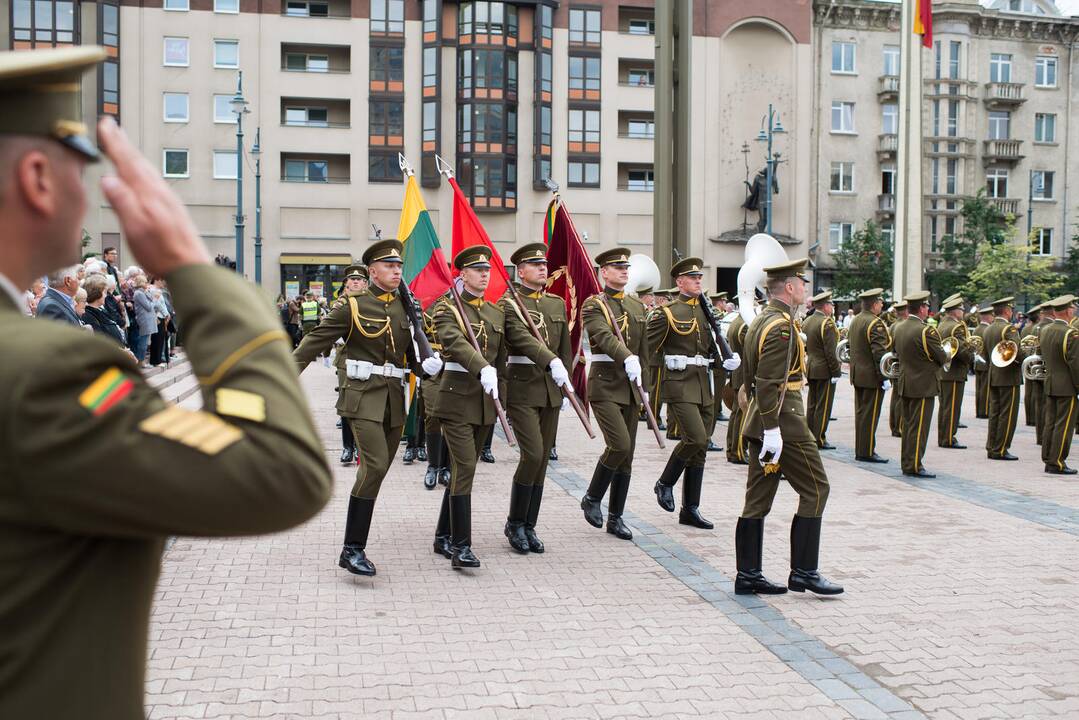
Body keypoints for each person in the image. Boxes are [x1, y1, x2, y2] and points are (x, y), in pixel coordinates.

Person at [0, 47, 332, 720]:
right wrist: (192, 267)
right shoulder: (44, 372)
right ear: (38, 177)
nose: (95, 192)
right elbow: (281, 470)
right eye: (84, 167)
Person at [294, 241, 441, 577]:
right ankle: (352, 549)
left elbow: (409, 356)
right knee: (373, 466)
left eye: (398, 266)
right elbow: (313, 342)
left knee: (377, 471)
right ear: (371, 271)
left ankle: (354, 546)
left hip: (393, 399)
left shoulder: (406, 307)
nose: (396, 270)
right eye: (388, 266)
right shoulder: (353, 306)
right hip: (361, 397)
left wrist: (426, 365)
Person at [430, 245, 548, 569]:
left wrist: (503, 403)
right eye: (477, 270)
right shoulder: (448, 309)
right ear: (462, 274)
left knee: (461, 471)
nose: (484, 275)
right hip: (455, 399)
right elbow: (454, 342)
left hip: (485, 404)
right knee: (465, 467)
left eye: (487, 270)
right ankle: (460, 547)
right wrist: (480, 366)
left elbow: (502, 364)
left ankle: (442, 535)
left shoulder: (496, 313)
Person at [735, 258, 842, 596]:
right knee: (816, 489)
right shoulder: (780, 326)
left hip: (766, 419)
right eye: (803, 284)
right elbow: (768, 383)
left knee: (758, 499)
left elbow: (747, 380)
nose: (806, 290)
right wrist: (772, 430)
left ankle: (748, 575)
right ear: (791, 288)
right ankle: (805, 572)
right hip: (784, 421)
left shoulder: (764, 320)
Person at [650, 257, 740, 529]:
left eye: (700, 277)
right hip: (679, 383)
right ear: (679, 282)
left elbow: (708, 345)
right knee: (696, 438)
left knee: (701, 447)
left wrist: (724, 359)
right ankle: (665, 482)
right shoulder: (666, 313)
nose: (699, 281)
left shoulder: (705, 310)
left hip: (704, 383)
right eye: (692, 278)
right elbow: (648, 351)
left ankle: (690, 509)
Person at [498, 243, 572, 554]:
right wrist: (551, 362)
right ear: (520, 270)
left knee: (542, 460)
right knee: (533, 453)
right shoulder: (508, 304)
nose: (543, 268)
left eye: (544, 263)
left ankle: (530, 524)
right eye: (534, 264)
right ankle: (514, 522)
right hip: (522, 388)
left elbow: (565, 347)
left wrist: (566, 381)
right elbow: (520, 338)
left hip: (550, 390)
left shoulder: (555, 304)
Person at [579, 248, 650, 541]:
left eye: (625, 267)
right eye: (616, 267)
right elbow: (603, 337)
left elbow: (643, 348)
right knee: (618, 445)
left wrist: (645, 382)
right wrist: (626, 356)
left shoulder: (636, 306)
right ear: (603, 272)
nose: (623, 271)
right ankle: (593, 496)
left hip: (631, 387)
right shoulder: (594, 305)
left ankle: (616, 517)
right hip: (606, 384)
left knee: (627, 456)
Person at [892, 291, 947, 477]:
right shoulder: (926, 330)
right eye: (926, 306)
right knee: (919, 427)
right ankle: (914, 464)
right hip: (923, 385)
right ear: (922, 308)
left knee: (908, 426)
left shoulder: (899, 327)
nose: (927, 310)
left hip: (906, 382)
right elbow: (941, 356)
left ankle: (907, 462)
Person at [330, 264, 368, 465]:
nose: (355, 282)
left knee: (366, 406)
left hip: (368, 359)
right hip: (346, 360)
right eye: (351, 279)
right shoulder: (340, 304)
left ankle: (362, 449)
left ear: (365, 283)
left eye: (359, 279)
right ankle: (347, 447)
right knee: (347, 403)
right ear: (345, 284)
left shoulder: (372, 304)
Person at [847, 288, 890, 463]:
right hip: (871, 377)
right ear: (874, 304)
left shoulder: (856, 320)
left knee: (862, 414)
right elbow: (879, 353)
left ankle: (862, 449)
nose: (881, 305)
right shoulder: (875, 323)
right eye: (880, 302)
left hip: (859, 374)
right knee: (870, 415)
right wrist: (884, 376)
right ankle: (866, 452)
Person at [1039, 295, 1079, 474]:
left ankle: (1048, 457)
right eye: (1072, 308)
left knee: (1051, 423)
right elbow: (1075, 364)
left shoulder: (1045, 329)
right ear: (1068, 311)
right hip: (1067, 385)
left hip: (1050, 382)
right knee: (1064, 425)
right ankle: (1057, 462)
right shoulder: (1071, 333)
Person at [984, 297, 1023, 460]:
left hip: (993, 375)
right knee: (1007, 414)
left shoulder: (989, 329)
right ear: (1007, 311)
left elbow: (986, 355)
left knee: (995, 412)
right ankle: (1001, 448)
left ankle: (992, 446)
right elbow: (1017, 352)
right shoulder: (1009, 330)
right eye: (1011, 309)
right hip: (1008, 376)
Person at [803, 291, 842, 450]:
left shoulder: (808, 321)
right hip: (824, 369)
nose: (832, 307)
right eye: (831, 304)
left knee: (812, 404)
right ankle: (819, 437)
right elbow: (831, 352)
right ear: (825, 306)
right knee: (823, 406)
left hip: (811, 366)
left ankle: (810, 434)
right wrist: (836, 372)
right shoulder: (827, 323)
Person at [936, 296, 974, 449]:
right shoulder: (956, 327)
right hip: (954, 371)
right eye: (961, 309)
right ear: (956, 311)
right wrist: (972, 357)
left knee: (945, 406)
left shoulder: (942, 324)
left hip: (944, 371)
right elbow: (960, 350)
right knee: (952, 406)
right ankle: (948, 438)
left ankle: (943, 436)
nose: (963, 312)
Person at [1021, 303, 1050, 443]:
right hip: (1046, 370)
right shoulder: (1049, 328)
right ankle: (1043, 436)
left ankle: (1036, 429)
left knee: (1035, 399)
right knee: (1046, 405)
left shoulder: (1032, 328)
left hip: (1034, 366)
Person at [725, 307, 750, 465]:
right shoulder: (745, 325)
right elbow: (751, 350)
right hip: (744, 373)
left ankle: (732, 448)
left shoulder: (736, 322)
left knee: (736, 414)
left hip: (737, 373)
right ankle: (738, 451)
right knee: (742, 414)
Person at [81, 273, 126, 346]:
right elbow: (100, 341)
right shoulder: (88, 315)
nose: (106, 295)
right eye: (105, 292)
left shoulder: (101, 309)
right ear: (97, 293)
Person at [886, 301, 909, 438]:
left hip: (894, 363)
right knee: (900, 397)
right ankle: (899, 427)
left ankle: (894, 425)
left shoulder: (893, 325)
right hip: (902, 363)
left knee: (895, 396)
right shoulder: (903, 326)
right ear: (906, 311)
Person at [973, 305, 994, 418]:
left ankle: (979, 410)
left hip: (978, 361)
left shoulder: (977, 328)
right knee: (985, 389)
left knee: (979, 388)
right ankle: (984, 411)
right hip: (985, 361)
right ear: (988, 317)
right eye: (991, 315)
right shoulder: (987, 329)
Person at [131, 274, 156, 365]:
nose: (147, 283)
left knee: (145, 341)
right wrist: (155, 300)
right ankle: (140, 361)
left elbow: (150, 299)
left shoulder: (143, 292)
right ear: (141, 283)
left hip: (147, 319)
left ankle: (141, 361)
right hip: (144, 320)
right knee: (143, 342)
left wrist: (148, 292)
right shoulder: (138, 293)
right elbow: (149, 307)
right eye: (145, 282)